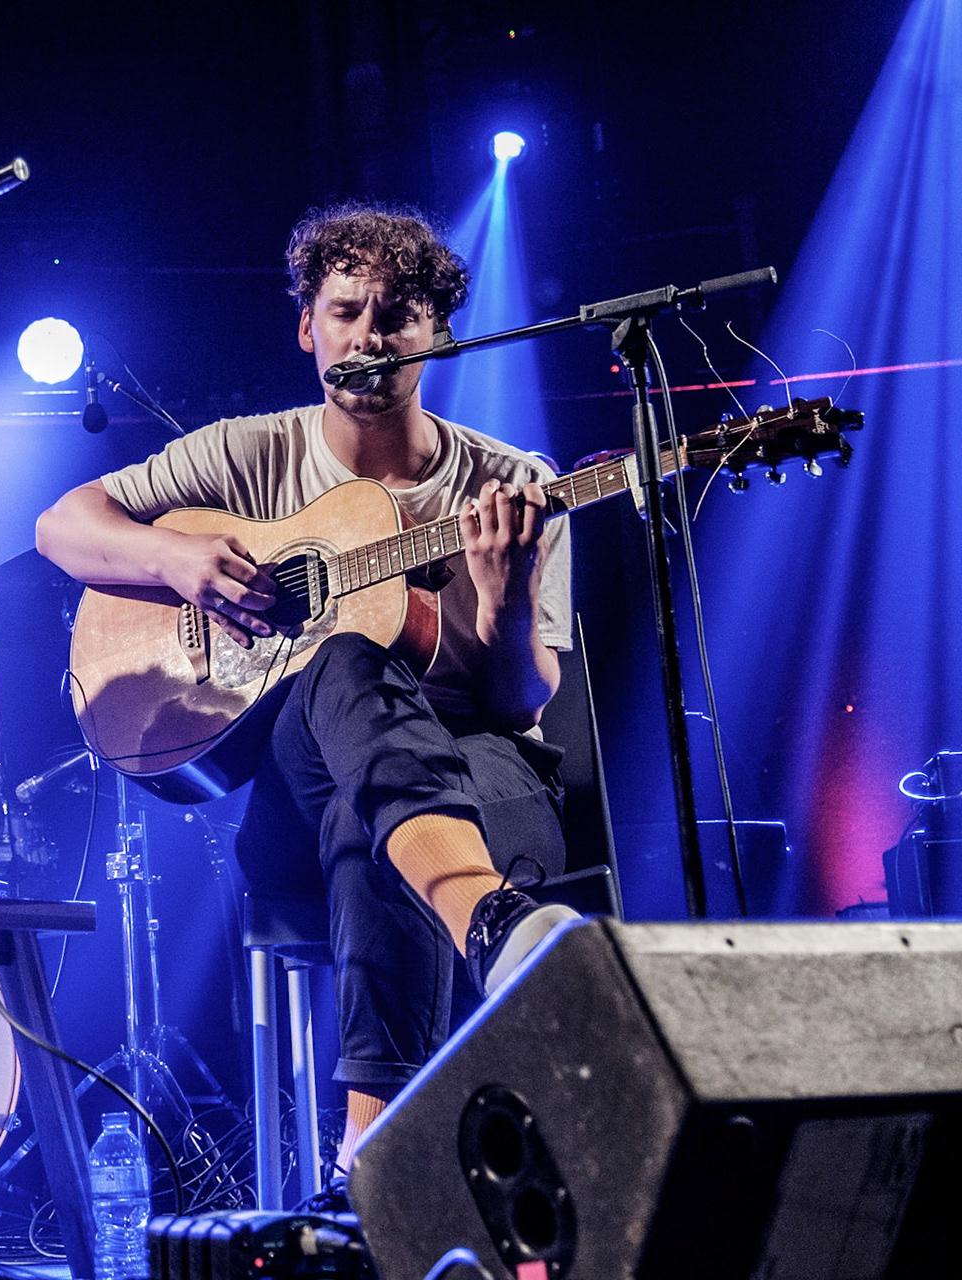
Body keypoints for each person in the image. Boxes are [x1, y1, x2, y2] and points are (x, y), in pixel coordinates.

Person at [35, 202, 579, 1167]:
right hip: (294, 793)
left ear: (440, 334)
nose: (370, 334)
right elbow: (63, 527)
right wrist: (174, 559)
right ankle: (489, 924)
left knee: (373, 822)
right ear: (308, 326)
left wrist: (507, 594)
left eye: (399, 313)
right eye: (347, 309)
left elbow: (515, 704)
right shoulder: (252, 452)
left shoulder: (511, 485)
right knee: (340, 658)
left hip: (487, 778)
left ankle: (360, 1163)